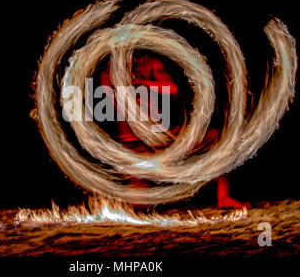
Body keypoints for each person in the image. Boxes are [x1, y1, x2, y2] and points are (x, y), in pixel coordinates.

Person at [98, 54, 250, 209]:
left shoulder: (149, 62)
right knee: (138, 206)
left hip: (162, 135)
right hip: (135, 143)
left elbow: (172, 88)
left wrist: (144, 83)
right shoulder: (109, 71)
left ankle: (223, 198)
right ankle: (130, 198)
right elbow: (115, 104)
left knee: (217, 139)